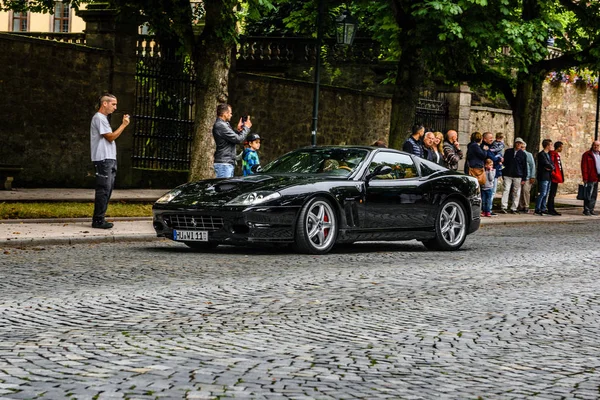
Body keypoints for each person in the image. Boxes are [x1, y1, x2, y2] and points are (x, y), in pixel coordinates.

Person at [90, 93, 130, 229]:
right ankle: (98, 220)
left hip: (109, 158)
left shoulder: (103, 119)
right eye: (113, 104)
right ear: (104, 103)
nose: (115, 107)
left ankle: (100, 218)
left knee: (107, 189)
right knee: (103, 189)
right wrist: (123, 125)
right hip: (103, 159)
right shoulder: (99, 118)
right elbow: (110, 137)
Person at [213, 104, 252, 178]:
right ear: (225, 114)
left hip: (227, 163)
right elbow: (238, 139)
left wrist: (239, 130)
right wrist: (246, 128)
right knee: (224, 188)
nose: (231, 115)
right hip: (224, 164)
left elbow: (233, 138)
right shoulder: (221, 125)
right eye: (230, 113)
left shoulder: (224, 124)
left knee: (227, 188)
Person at [500, 137, 527, 214]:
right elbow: (503, 163)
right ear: (515, 143)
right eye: (517, 143)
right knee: (506, 190)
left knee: (516, 192)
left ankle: (514, 207)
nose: (518, 144)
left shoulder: (523, 154)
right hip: (508, 174)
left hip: (518, 175)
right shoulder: (508, 151)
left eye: (520, 143)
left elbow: (524, 166)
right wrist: (503, 171)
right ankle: (504, 206)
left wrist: (524, 178)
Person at [481, 132, 503, 215]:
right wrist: (499, 159)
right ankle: (487, 210)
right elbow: (492, 158)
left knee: (491, 192)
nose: (492, 139)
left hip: (494, 170)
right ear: (485, 139)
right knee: (490, 192)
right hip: (489, 172)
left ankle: (488, 209)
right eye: (490, 138)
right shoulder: (485, 147)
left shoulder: (491, 146)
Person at [534, 139, 554, 216]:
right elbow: (546, 164)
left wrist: (551, 167)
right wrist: (550, 166)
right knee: (542, 193)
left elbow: (552, 165)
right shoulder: (541, 154)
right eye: (550, 145)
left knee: (546, 193)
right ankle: (537, 208)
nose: (551, 146)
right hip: (543, 176)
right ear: (547, 145)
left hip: (548, 176)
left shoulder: (548, 154)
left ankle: (543, 208)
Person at [580, 140, 600, 216]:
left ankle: (591, 209)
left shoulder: (599, 154)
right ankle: (586, 209)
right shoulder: (587, 154)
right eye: (595, 145)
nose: (596, 147)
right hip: (590, 178)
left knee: (594, 194)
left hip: (597, 177)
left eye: (598, 146)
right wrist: (585, 177)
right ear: (592, 145)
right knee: (588, 194)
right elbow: (584, 166)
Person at [518, 142, 536, 213]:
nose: (521, 149)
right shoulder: (517, 154)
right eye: (520, 147)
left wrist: (532, 176)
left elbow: (532, 166)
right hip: (519, 176)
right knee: (519, 192)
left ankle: (526, 205)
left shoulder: (528, 155)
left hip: (527, 176)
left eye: (523, 147)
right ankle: (520, 205)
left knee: (526, 191)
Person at [547, 141, 564, 215]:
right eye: (561, 147)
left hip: (556, 177)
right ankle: (550, 208)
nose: (562, 149)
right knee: (552, 193)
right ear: (559, 147)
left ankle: (552, 208)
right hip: (554, 177)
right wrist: (554, 174)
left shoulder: (556, 155)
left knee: (553, 194)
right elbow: (552, 166)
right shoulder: (553, 155)